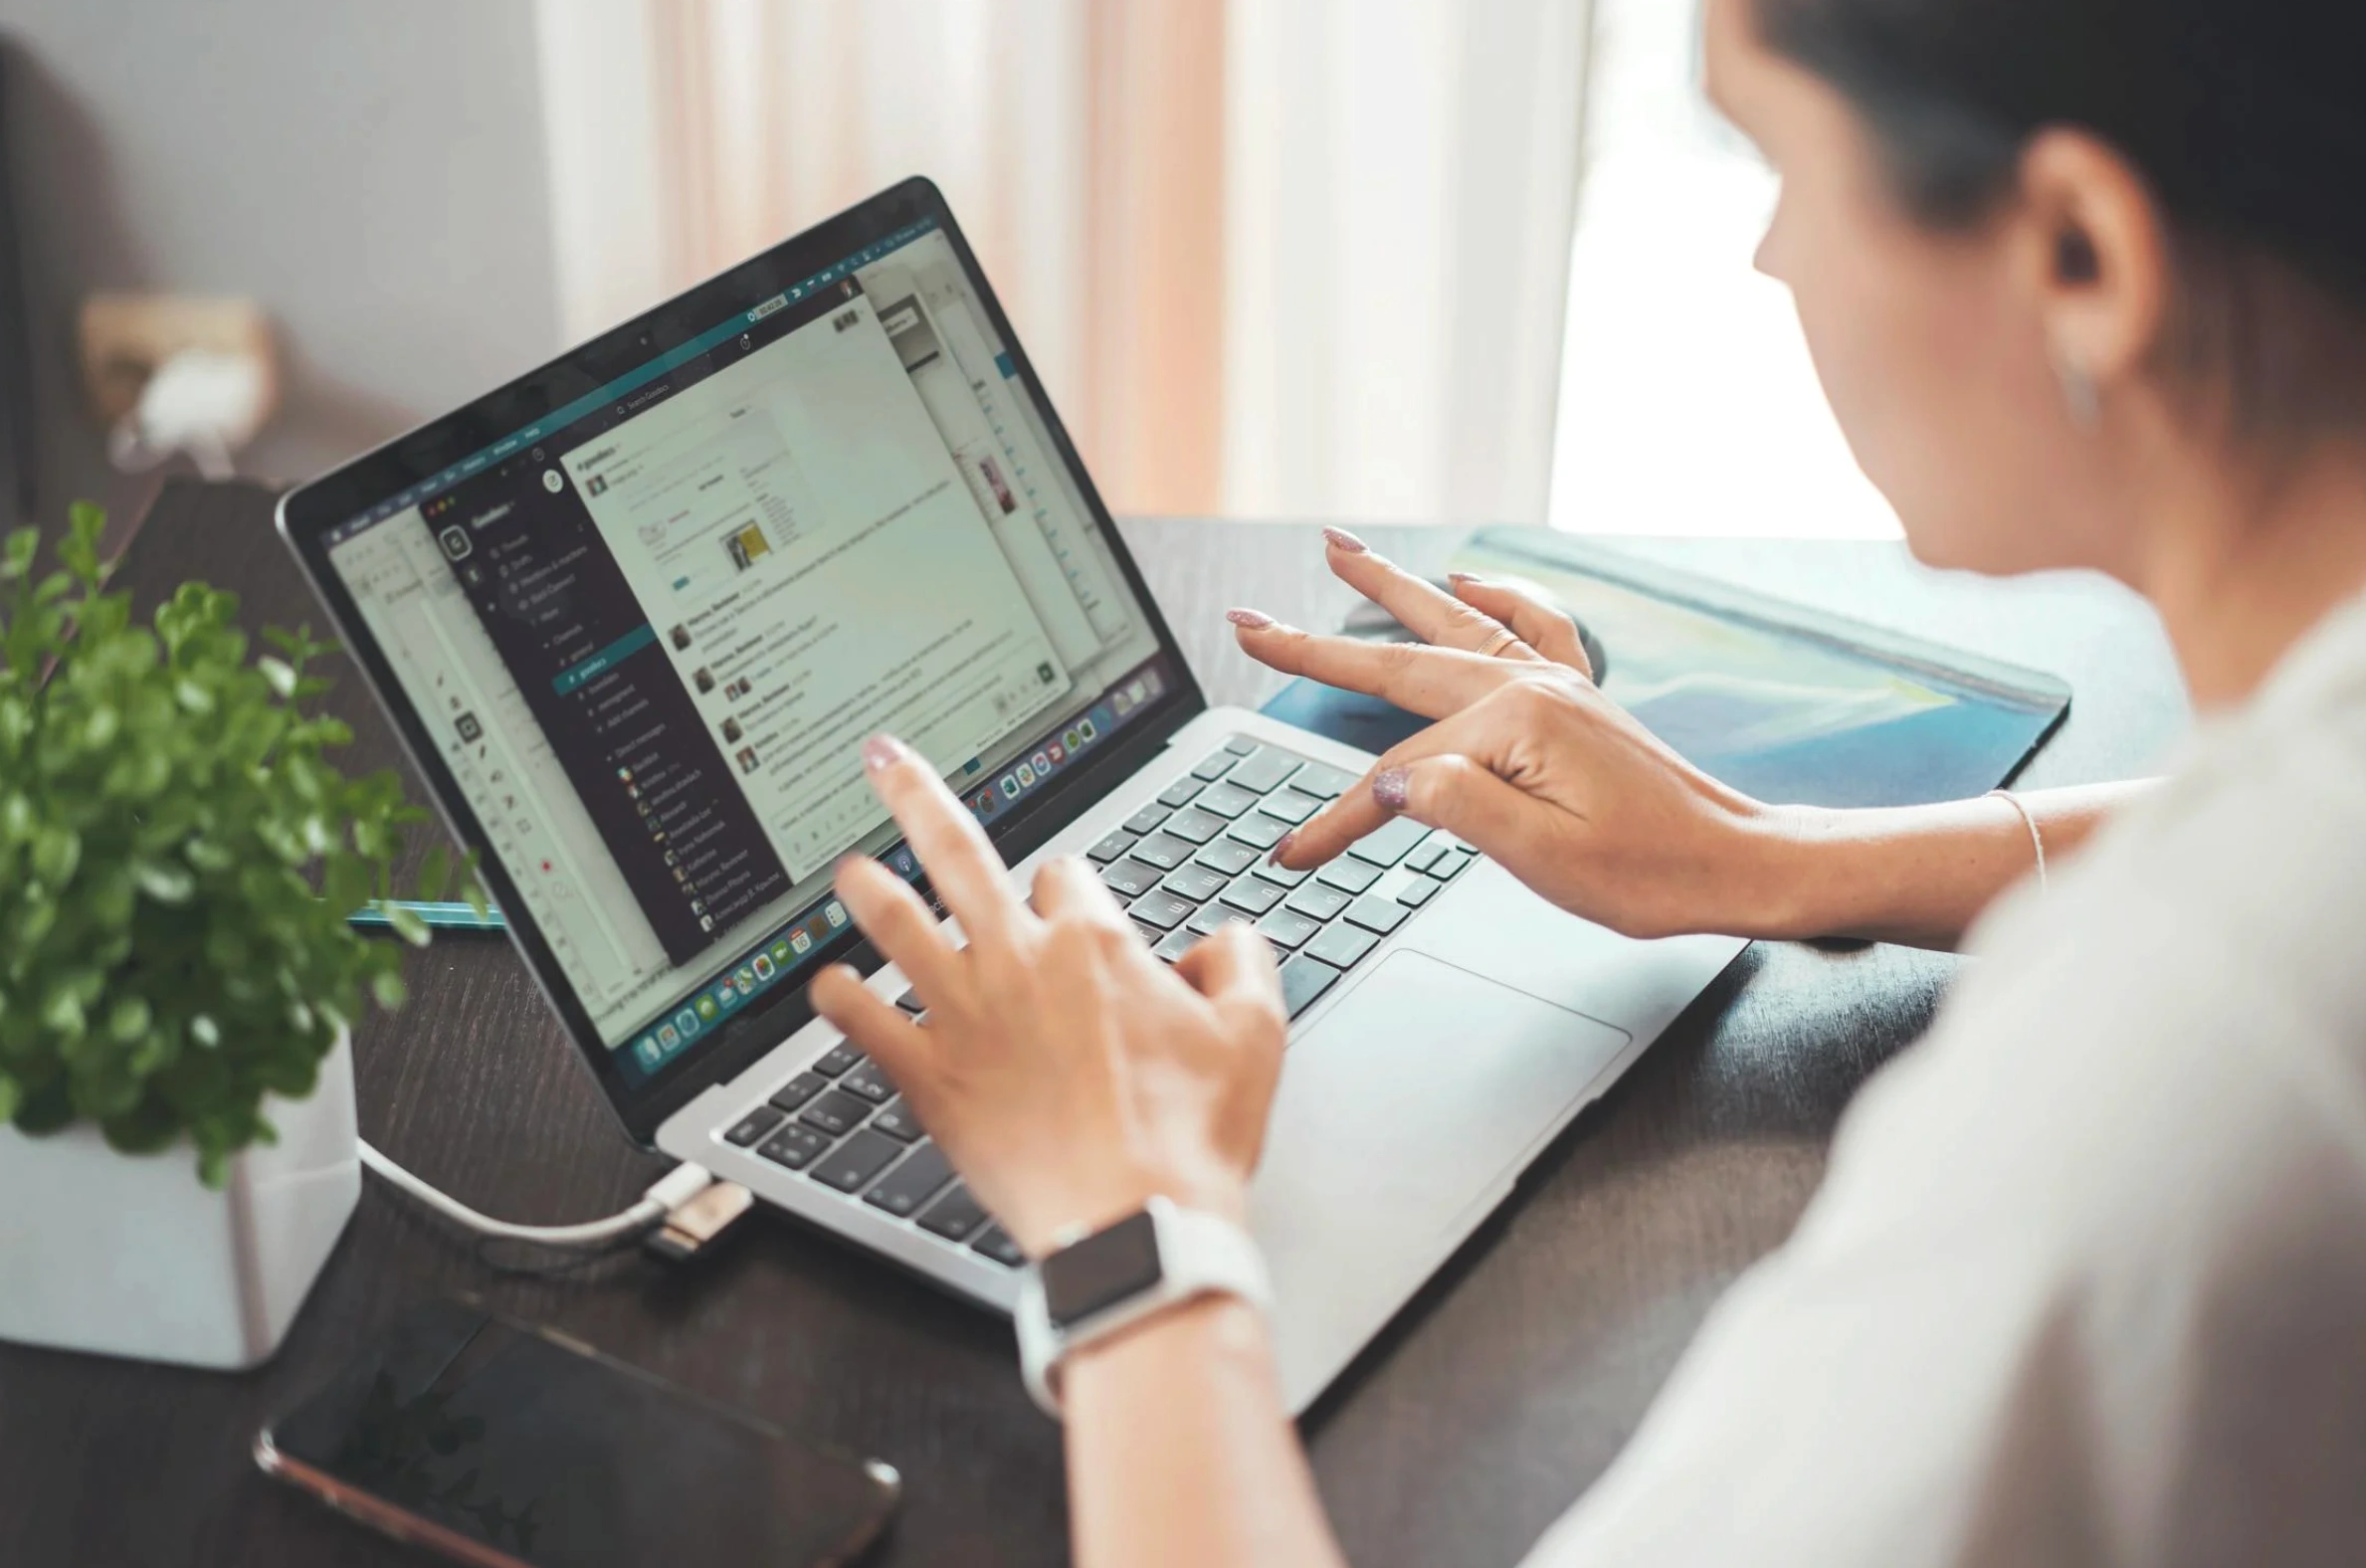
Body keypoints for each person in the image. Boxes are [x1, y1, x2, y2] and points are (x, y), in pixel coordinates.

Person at [809, 0, 2366, 1560]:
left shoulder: (2147, 1101)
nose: (1772, 261)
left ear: (2081, 254)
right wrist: (1768, 855)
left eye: (1779, 164)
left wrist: (1124, 1227)